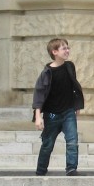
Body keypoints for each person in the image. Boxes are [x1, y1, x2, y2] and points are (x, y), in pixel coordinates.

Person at [32, 38, 85, 176]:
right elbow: (39, 94)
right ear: (54, 52)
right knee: (47, 144)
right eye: (64, 48)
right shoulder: (47, 73)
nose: (67, 50)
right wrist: (38, 117)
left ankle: (71, 168)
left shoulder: (69, 66)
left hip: (68, 112)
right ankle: (41, 170)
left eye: (68, 48)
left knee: (73, 140)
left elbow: (73, 86)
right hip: (52, 114)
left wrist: (77, 104)